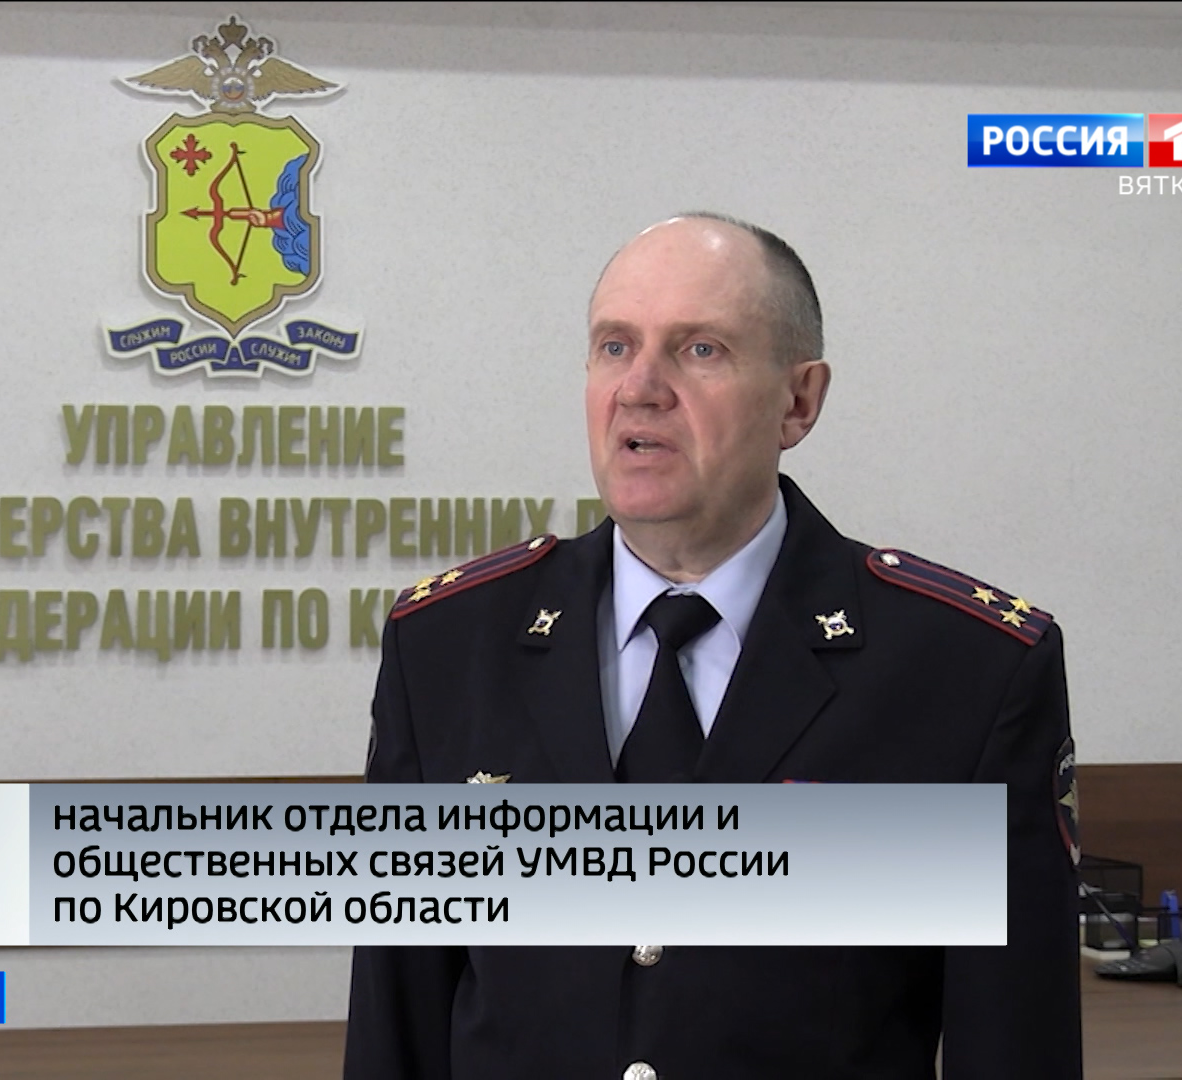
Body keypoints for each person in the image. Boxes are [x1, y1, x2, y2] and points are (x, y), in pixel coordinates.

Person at [344, 214, 1081, 1080]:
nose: (640, 388)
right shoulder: (447, 643)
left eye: (700, 350)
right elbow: (397, 1022)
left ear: (799, 401)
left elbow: (1016, 1043)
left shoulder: (967, 668)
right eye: (615, 347)